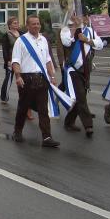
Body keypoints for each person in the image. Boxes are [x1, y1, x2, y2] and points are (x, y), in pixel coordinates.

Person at [11, 15, 73, 147]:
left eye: (38, 23)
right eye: (33, 24)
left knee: (43, 109)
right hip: (26, 79)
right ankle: (17, 131)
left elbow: (48, 60)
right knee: (23, 107)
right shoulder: (21, 41)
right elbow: (16, 61)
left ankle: (47, 137)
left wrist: (52, 76)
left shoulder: (43, 40)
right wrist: (18, 76)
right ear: (27, 26)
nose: (36, 26)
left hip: (42, 79)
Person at [61, 10, 103, 137]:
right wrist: (74, 27)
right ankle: (88, 125)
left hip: (86, 68)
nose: (79, 18)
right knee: (80, 96)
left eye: (82, 16)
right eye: (75, 16)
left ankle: (69, 121)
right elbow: (66, 42)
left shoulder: (89, 31)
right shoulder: (66, 30)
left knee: (81, 97)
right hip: (72, 69)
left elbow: (100, 44)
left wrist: (87, 40)